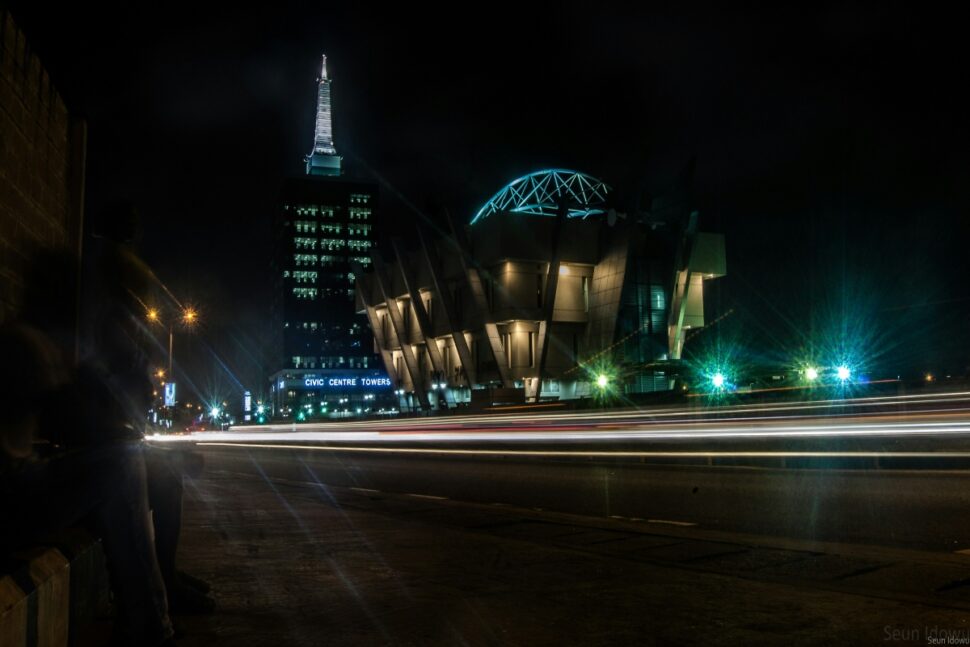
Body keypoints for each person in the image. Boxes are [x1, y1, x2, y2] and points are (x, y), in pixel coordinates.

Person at [0, 320, 176, 647]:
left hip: (19, 487)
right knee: (123, 464)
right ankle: (149, 630)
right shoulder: (20, 346)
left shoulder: (25, 347)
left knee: (140, 467)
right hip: (12, 499)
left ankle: (152, 616)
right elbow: (81, 424)